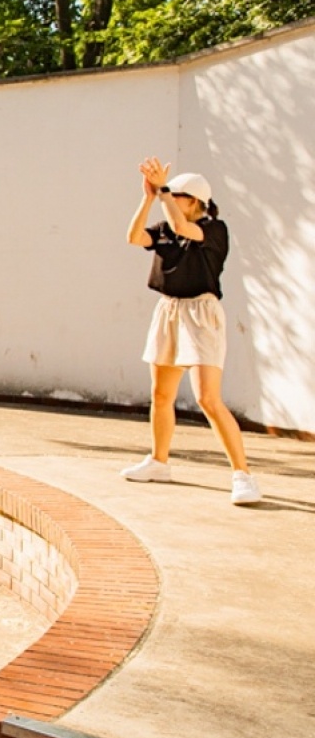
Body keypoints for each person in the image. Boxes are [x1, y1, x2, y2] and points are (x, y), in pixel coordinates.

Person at [122, 160, 262, 505]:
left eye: (177, 194)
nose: (169, 197)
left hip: (201, 312)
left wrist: (164, 192)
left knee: (207, 398)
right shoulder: (165, 226)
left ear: (195, 200)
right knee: (161, 395)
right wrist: (148, 198)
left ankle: (243, 475)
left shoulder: (215, 230)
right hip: (169, 309)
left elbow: (184, 228)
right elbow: (133, 236)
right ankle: (159, 462)